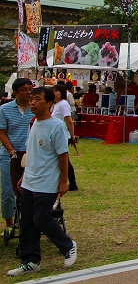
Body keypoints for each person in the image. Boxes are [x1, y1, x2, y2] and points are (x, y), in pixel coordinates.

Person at [7, 86, 76, 276]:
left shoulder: (56, 126)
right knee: (27, 221)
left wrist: (63, 181)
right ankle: (30, 261)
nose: (32, 103)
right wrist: (24, 175)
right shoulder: (33, 123)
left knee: (42, 218)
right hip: (30, 180)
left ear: (49, 103)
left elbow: (63, 156)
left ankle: (68, 245)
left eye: (37, 99)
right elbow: (32, 153)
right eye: (31, 99)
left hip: (47, 181)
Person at [0, 78, 34, 232]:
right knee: (8, 192)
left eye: (30, 89)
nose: (28, 92)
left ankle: (29, 222)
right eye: (24, 90)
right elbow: (2, 133)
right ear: (15, 92)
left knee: (29, 192)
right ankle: (9, 223)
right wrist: (10, 150)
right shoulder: (5, 109)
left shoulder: (35, 108)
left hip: (31, 156)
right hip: (10, 156)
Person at [51, 84, 78, 191]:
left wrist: (72, 136)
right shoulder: (55, 105)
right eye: (53, 91)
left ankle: (72, 183)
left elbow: (69, 121)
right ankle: (70, 182)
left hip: (63, 135)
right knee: (62, 160)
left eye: (57, 91)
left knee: (64, 159)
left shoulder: (63, 104)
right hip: (56, 135)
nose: (54, 93)